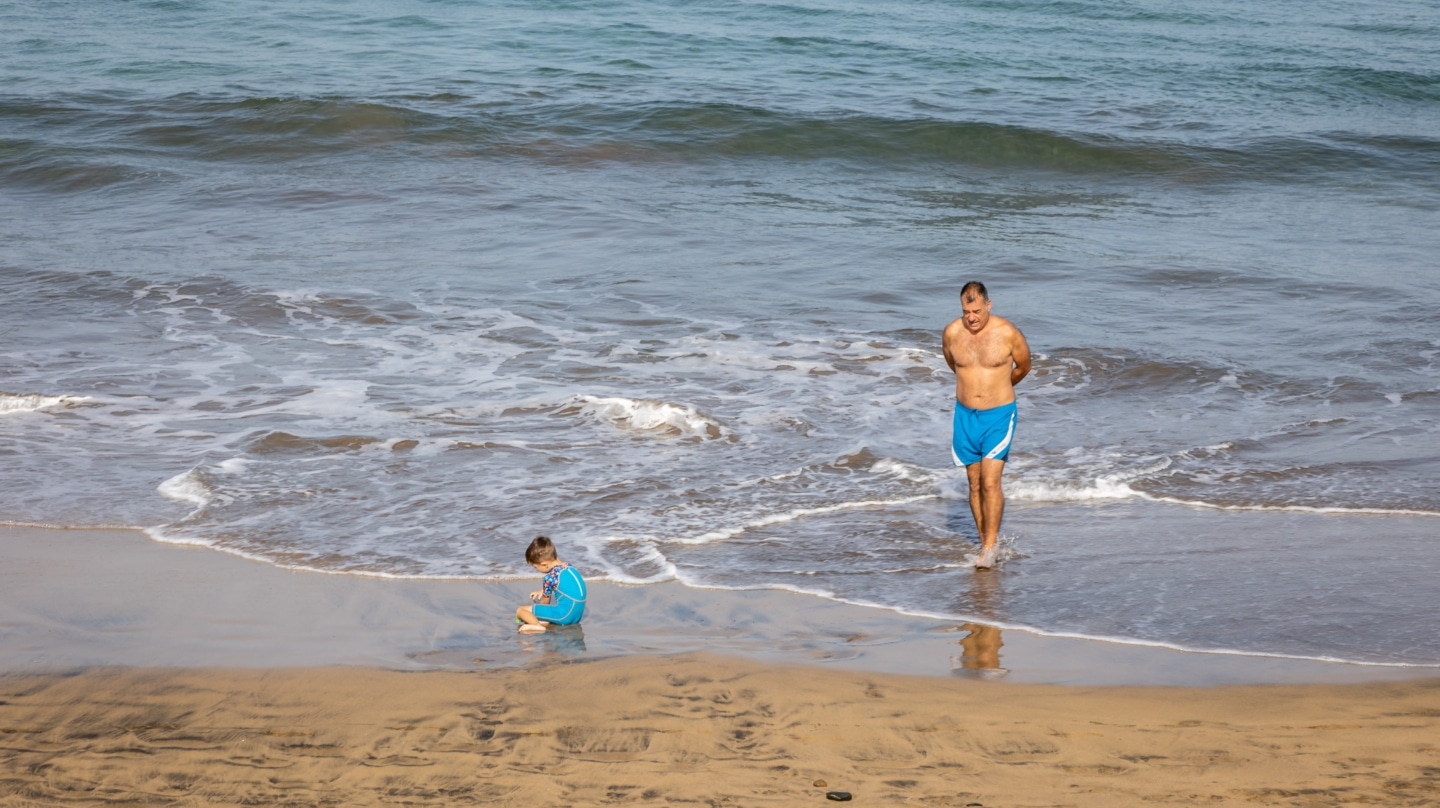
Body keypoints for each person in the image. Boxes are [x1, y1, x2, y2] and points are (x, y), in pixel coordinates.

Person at [942, 281, 1031, 570]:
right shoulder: (952, 333)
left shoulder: (1007, 333)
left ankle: (990, 550)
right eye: (966, 311)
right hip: (965, 415)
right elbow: (953, 365)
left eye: (977, 310)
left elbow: (1024, 366)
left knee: (991, 482)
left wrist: (1000, 387)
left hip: (999, 415)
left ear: (989, 305)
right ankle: (985, 544)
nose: (972, 317)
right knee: (974, 483)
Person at [515, 536, 587, 633]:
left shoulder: (549, 578)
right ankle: (543, 622)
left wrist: (538, 608)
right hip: (576, 615)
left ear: (544, 564)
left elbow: (545, 604)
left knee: (521, 611)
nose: (536, 570)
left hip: (564, 616)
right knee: (544, 617)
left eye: (536, 567)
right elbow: (564, 586)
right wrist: (543, 590)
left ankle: (537, 626)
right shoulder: (568, 566)